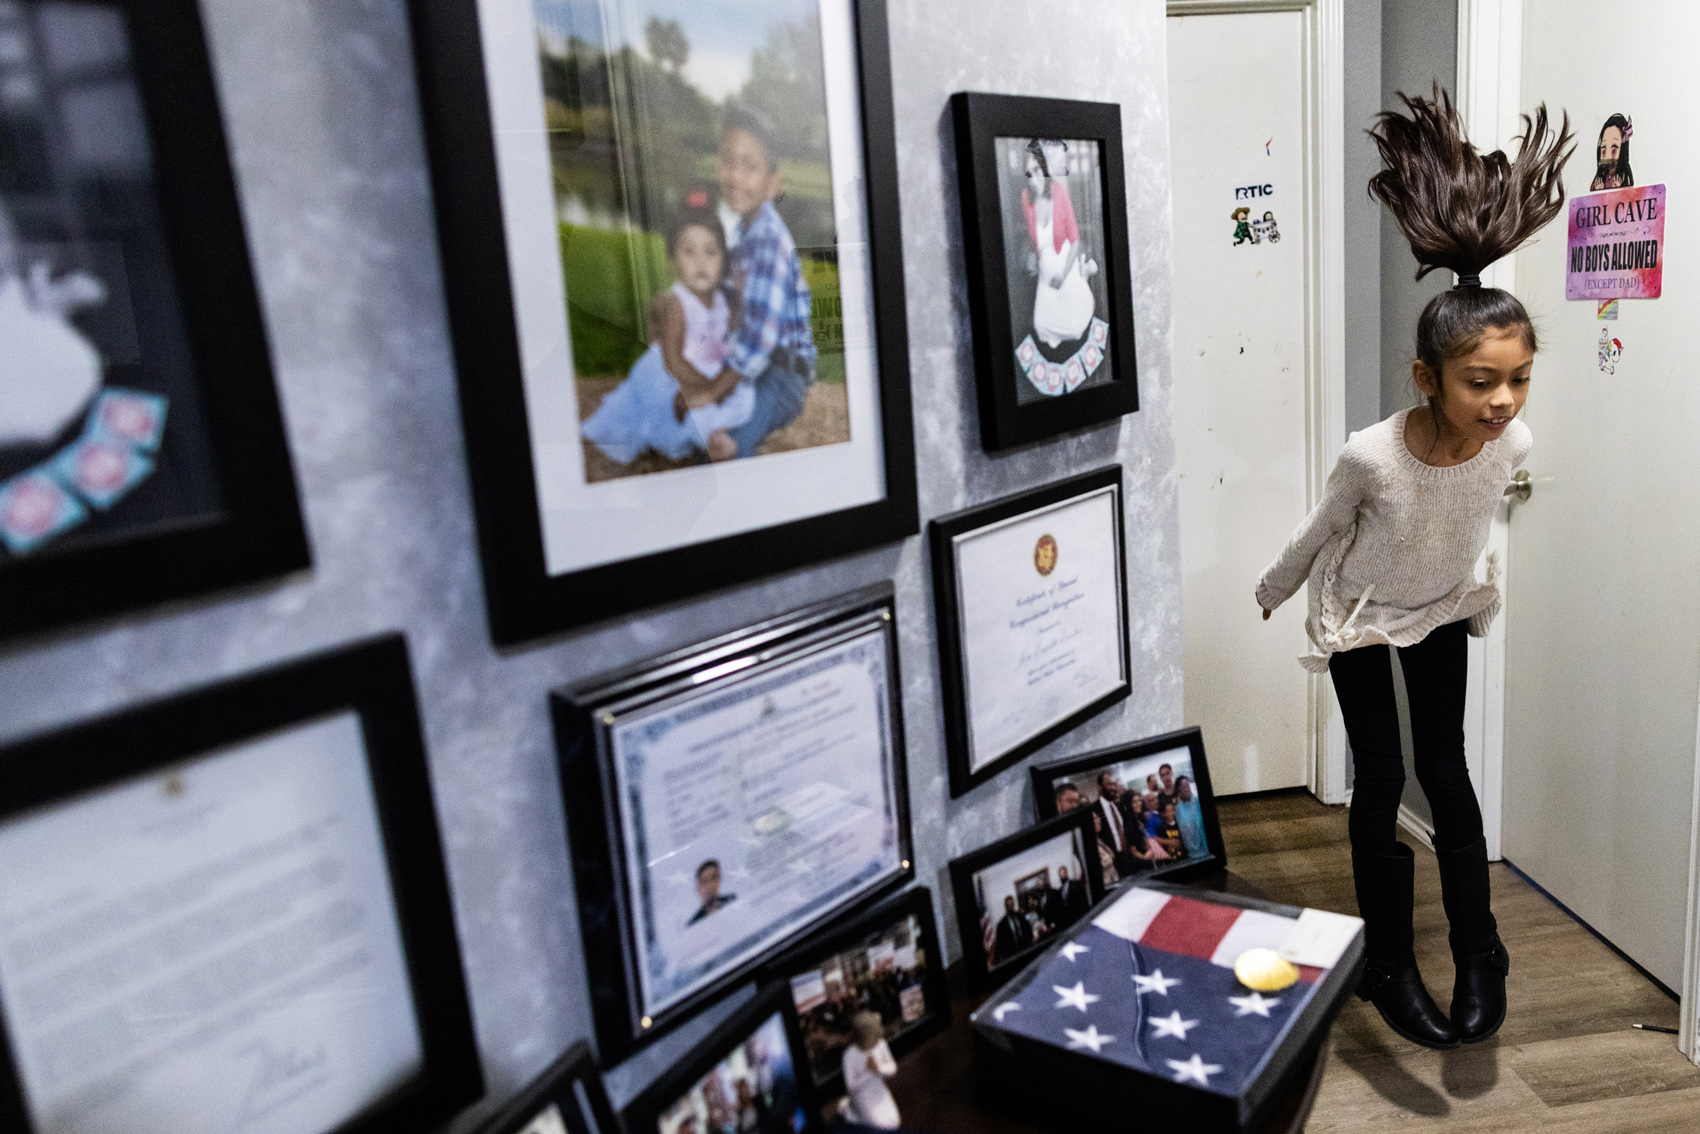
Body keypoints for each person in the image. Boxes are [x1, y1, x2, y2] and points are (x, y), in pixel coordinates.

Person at [1257, 88, 1570, 1049]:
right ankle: (1387, 961)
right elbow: (1320, 532)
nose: (1505, 401)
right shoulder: (1371, 454)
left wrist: (1457, 574)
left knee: (1450, 768)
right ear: (1426, 377)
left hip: (1436, 605)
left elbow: (1478, 511)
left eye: (1518, 378)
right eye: (1482, 381)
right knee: (1382, 774)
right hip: (1354, 610)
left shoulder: (1511, 449)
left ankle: (1479, 949)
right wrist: (1272, 591)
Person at [682, 106, 817, 459]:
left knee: (722, 447)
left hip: (781, 376)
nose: (736, 176)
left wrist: (712, 391)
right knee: (688, 422)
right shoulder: (744, 235)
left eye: (750, 166)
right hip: (756, 366)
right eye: (729, 161)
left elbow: (757, 341)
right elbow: (727, 307)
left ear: (772, 184)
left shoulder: (770, 242)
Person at [581, 208, 740, 465]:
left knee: (739, 396)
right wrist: (708, 386)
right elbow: (673, 361)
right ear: (672, 260)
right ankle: (701, 435)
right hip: (668, 373)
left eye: (711, 252)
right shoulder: (676, 303)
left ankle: (710, 429)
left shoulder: (723, 302)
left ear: (723, 260)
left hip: (705, 370)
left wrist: (720, 384)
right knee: (675, 407)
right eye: (689, 252)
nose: (701, 262)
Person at [1020, 138, 1099, 350]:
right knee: (1041, 326)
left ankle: (1081, 273)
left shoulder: (1059, 194)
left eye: (1037, 170)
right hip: (1046, 275)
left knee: (1075, 328)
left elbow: (1075, 241)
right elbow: (1033, 240)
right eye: (1029, 173)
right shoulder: (1026, 199)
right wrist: (1033, 260)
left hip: (1065, 265)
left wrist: (1063, 276)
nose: (1033, 177)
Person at [842, 1011, 900, 1128]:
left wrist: (879, 1068)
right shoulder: (849, 1055)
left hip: (878, 1087)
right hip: (862, 1093)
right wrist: (868, 1072)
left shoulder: (880, 1044)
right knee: (878, 1125)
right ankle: (850, 1110)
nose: (874, 1045)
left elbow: (893, 1068)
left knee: (894, 1121)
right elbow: (850, 1086)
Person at [1589, 113, 1632, 191]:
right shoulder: (1599, 179)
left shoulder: (1623, 178)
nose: (1608, 156)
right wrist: (1598, 190)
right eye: (1604, 149)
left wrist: (1618, 189)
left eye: (1614, 149)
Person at [689, 859, 737, 924]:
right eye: (705, 881)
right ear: (698, 888)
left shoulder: (732, 901)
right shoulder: (694, 923)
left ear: (719, 880)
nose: (711, 885)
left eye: (714, 878)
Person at [992, 895, 1031, 965]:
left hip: (1025, 951)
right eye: (1008, 905)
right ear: (1006, 907)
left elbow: (1028, 930)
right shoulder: (1002, 925)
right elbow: (999, 944)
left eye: (1011, 904)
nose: (1010, 907)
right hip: (1012, 956)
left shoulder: (1020, 917)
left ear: (1014, 905)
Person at [1174, 776, 1207, 858]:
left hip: (1206, 848)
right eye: (1184, 787)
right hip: (1192, 853)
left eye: (1188, 786)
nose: (1187, 789)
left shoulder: (1198, 802)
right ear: (1179, 790)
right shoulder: (1178, 809)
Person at [1091, 813, 1120, 886]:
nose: (1097, 821)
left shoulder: (1100, 841)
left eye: (1097, 818)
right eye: (1093, 819)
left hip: (1115, 883)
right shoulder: (1090, 848)